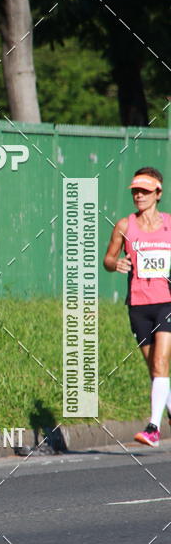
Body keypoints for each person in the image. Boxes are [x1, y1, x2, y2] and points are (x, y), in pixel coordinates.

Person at [103, 166, 171, 447]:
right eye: (135, 191)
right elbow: (108, 259)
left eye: (144, 191)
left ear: (158, 193)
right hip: (138, 305)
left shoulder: (169, 225)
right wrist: (114, 264)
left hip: (166, 302)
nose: (138, 196)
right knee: (155, 369)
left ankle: (153, 428)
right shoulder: (124, 225)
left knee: (160, 363)